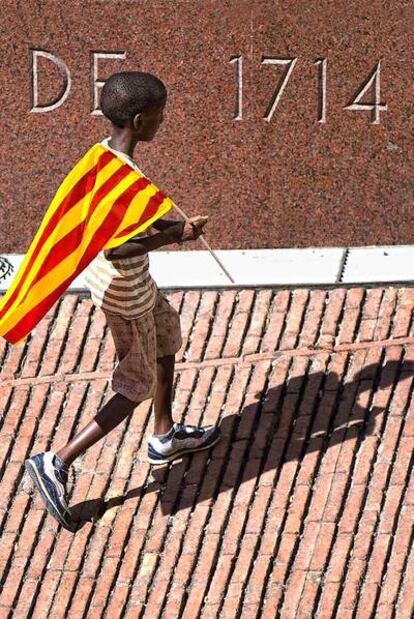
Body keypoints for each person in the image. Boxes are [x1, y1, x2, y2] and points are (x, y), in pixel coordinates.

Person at [24, 71, 221, 531]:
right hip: (125, 292)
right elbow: (117, 245)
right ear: (139, 119)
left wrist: (170, 228)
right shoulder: (125, 174)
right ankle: (56, 461)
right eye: (159, 115)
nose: (162, 122)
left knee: (167, 336)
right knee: (136, 383)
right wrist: (173, 237)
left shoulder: (104, 156)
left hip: (129, 284)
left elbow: (122, 224)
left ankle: (164, 435)